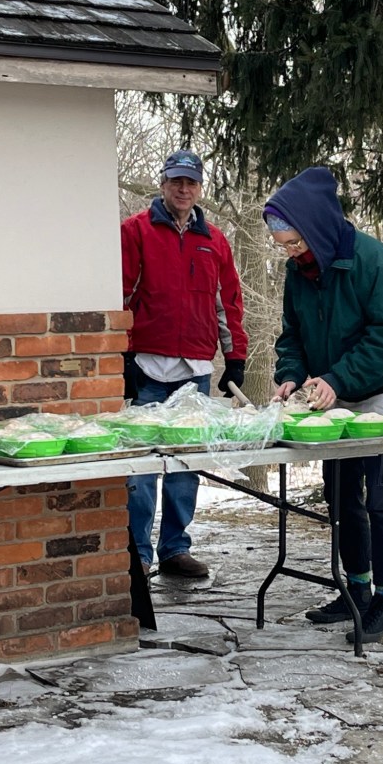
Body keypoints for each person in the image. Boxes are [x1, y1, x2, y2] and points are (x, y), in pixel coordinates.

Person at [263, 166, 383, 642]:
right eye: (283, 246)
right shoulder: (298, 273)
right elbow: (292, 335)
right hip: (334, 393)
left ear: (317, 227)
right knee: (340, 495)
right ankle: (355, 588)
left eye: (296, 243)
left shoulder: (377, 262)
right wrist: (291, 375)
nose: (292, 253)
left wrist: (338, 378)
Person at [121, 149, 248, 577]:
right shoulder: (135, 231)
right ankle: (138, 553)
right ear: (163, 184)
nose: (183, 189)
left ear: (199, 189)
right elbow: (121, 295)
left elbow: (228, 304)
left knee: (186, 466)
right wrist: (122, 355)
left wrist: (235, 357)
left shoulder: (214, 241)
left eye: (190, 182)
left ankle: (175, 548)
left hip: (195, 373)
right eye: (176, 181)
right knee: (141, 467)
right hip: (147, 368)